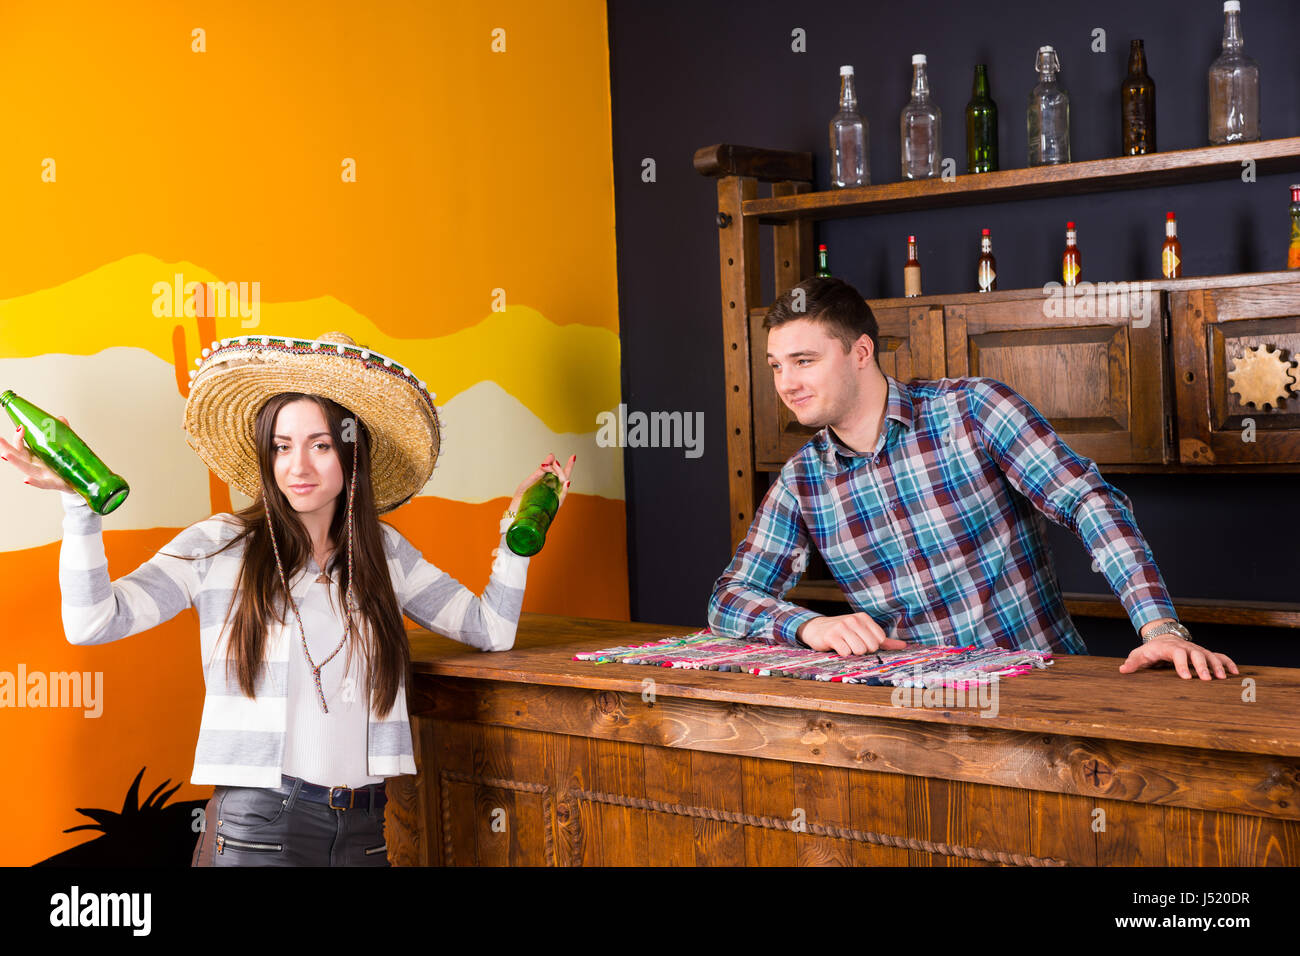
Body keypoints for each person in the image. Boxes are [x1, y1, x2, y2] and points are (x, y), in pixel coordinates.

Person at [1, 331, 576, 865]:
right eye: (281, 447)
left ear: (353, 453)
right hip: (259, 827)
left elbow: (490, 629)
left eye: (320, 445)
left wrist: (514, 538)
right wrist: (79, 509)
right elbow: (93, 621)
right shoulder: (219, 545)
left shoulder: (384, 555)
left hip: (364, 826)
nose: (297, 467)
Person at [707, 277, 1237, 681]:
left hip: (1041, 687)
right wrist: (809, 626)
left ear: (861, 352)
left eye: (803, 360)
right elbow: (730, 599)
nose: (787, 383)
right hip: (915, 704)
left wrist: (1159, 627)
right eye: (777, 366)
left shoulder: (974, 409)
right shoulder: (803, 479)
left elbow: (1088, 502)